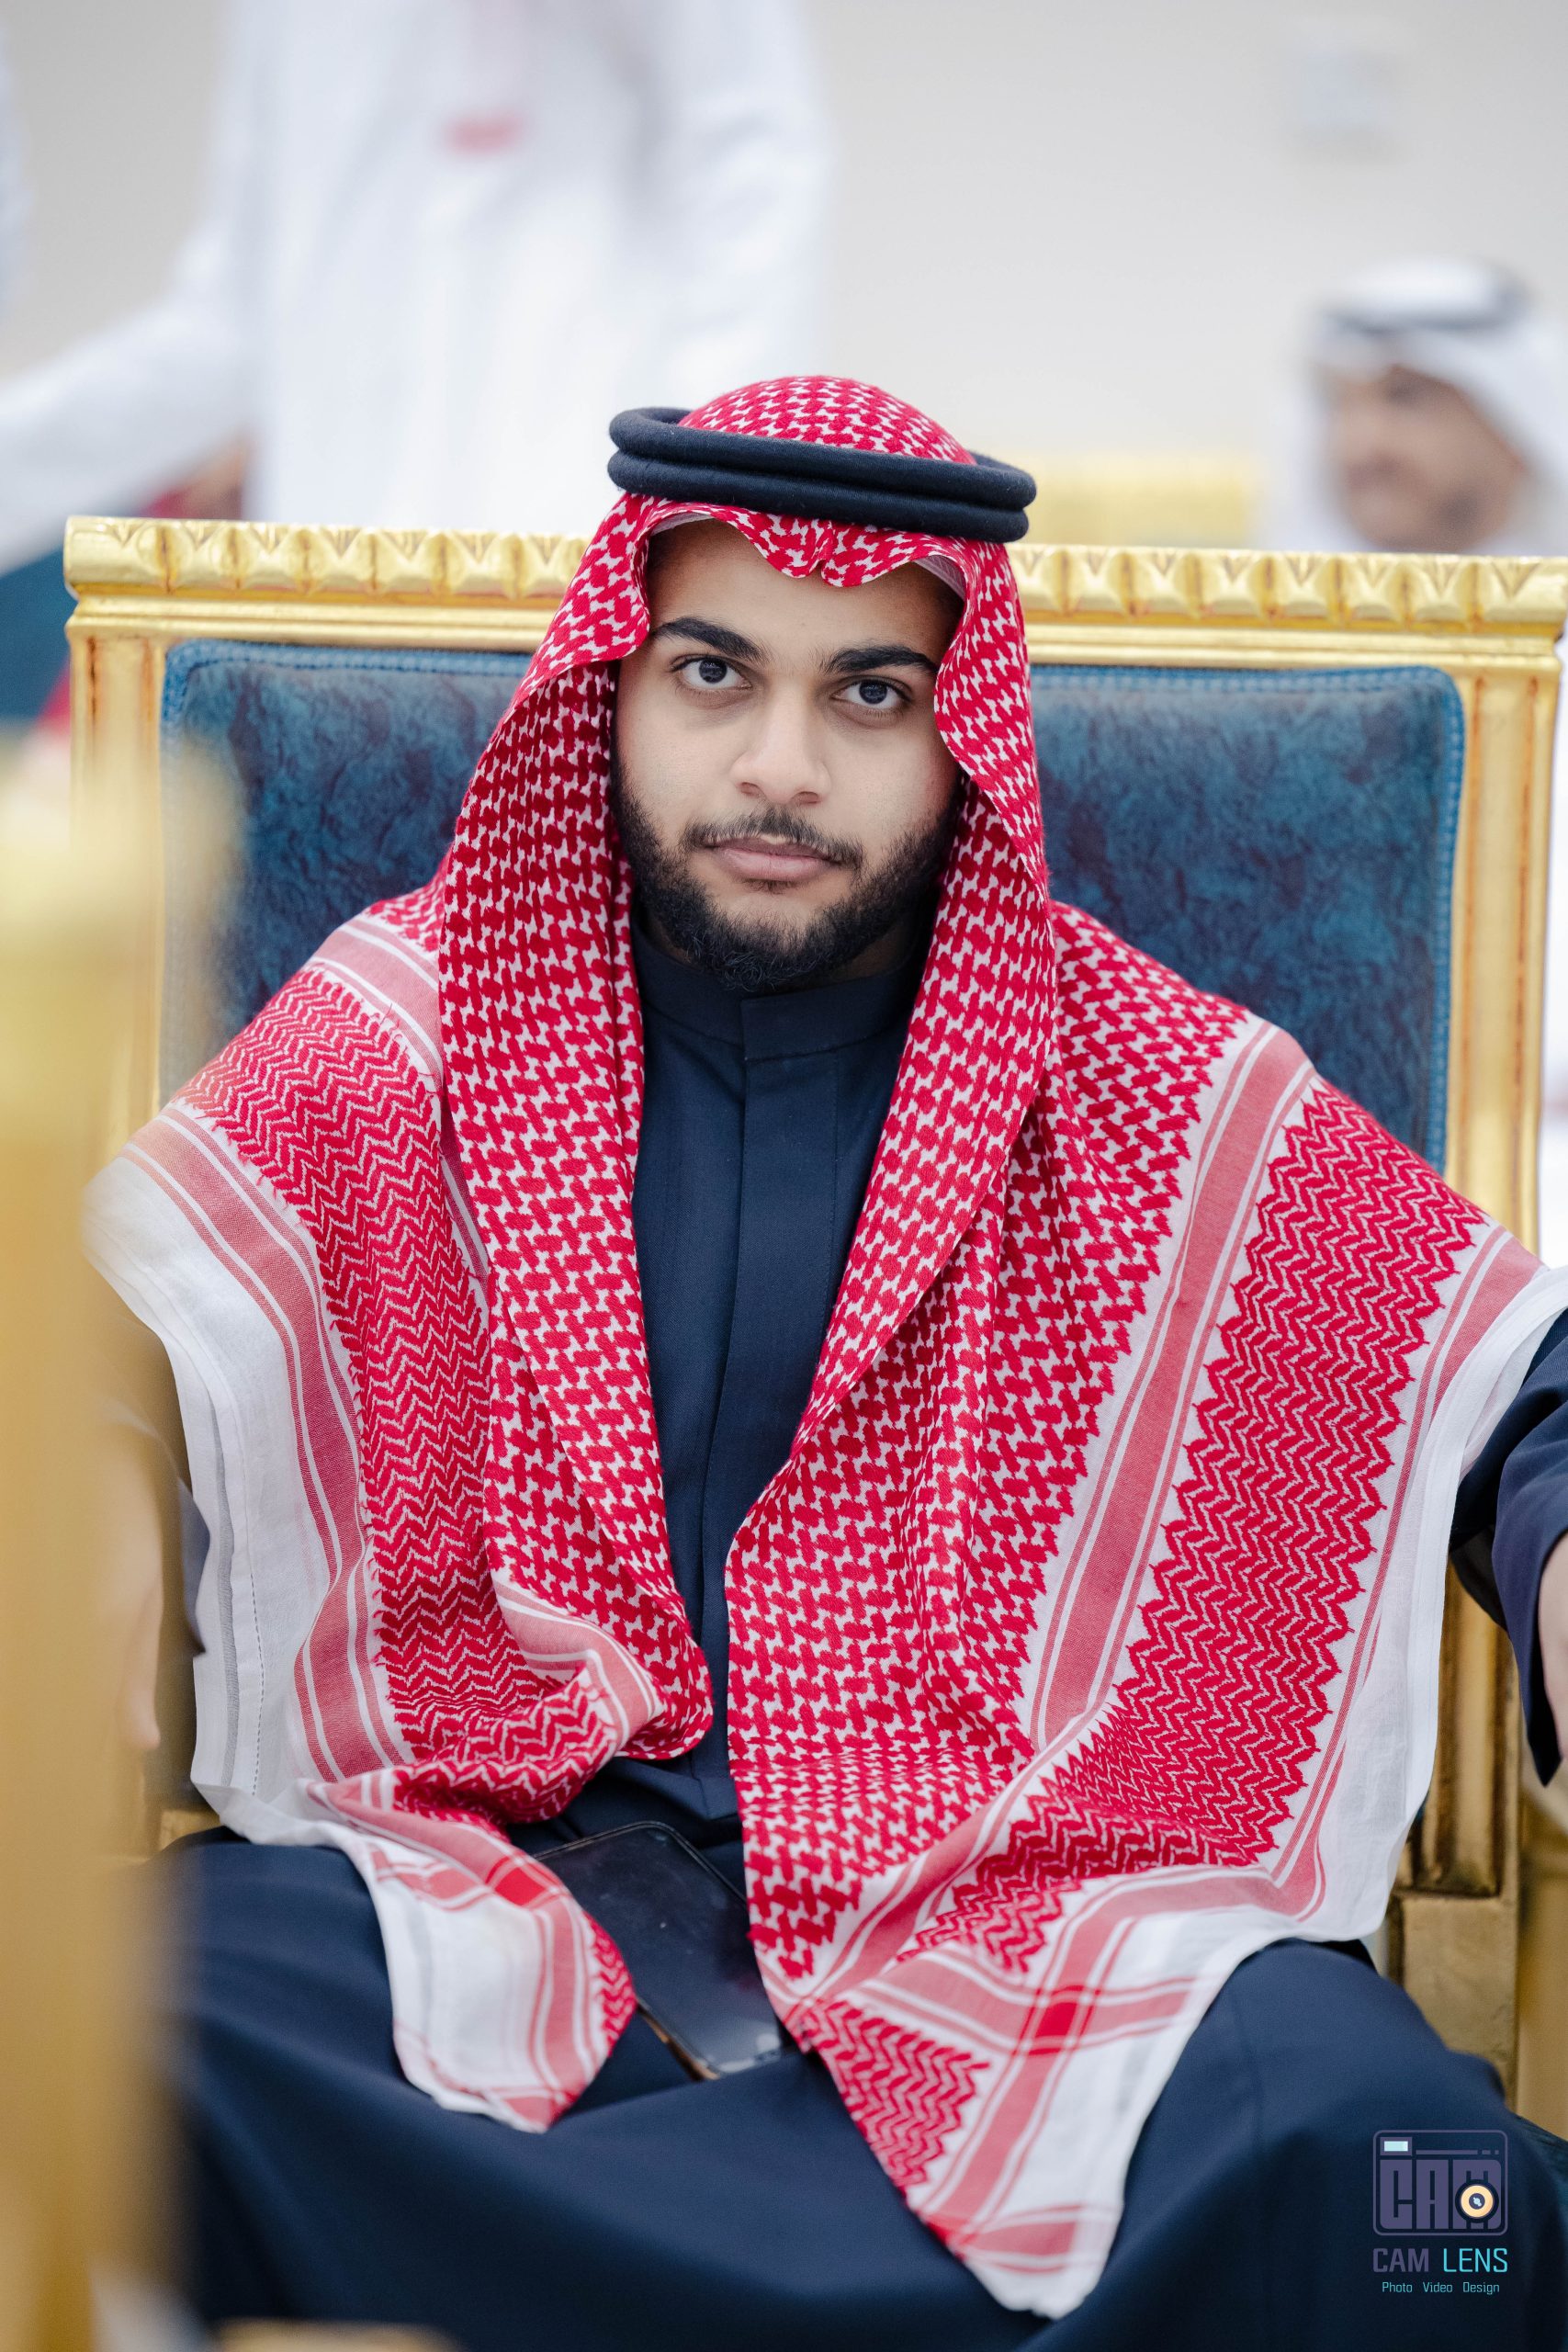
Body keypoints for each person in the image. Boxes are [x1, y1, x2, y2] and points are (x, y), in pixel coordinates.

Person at [88, 378, 1568, 2348]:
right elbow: (116, 1325)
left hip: (1030, 1925)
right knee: (101, 2029)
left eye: (870, 692)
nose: (778, 765)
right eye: (714, 672)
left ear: (960, 731)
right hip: (484, 1902)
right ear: (616, 683)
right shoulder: (411, 1025)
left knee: (1416, 2190)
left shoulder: (1133, 1078)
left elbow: (1511, 1382)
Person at [0, 0, 825, 561]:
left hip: (578, 567)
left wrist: (674, 525)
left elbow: (754, 187)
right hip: (327, 581)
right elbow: (232, 326)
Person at [1265, 255, 1568, 1265]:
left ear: (1514, 419)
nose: (1362, 444)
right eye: (1341, 404)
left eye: (1407, 399)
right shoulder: (1271, 658)